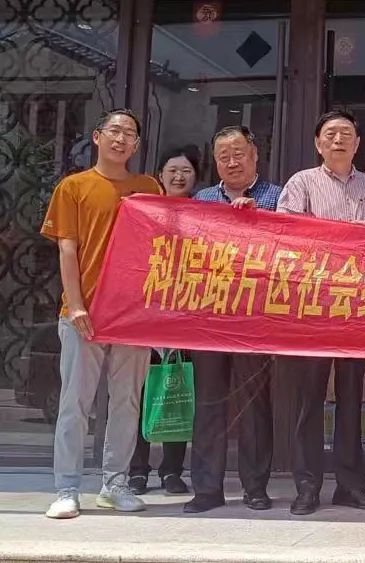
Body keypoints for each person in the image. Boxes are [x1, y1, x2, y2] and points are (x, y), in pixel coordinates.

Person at [41, 109, 162, 519]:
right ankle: (67, 488)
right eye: (115, 131)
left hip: (133, 316)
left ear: (137, 145)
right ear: (97, 137)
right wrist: (76, 304)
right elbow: (67, 249)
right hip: (85, 312)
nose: (121, 138)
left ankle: (115, 483)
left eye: (130, 134)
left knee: (127, 402)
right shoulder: (73, 187)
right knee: (75, 403)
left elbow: (164, 246)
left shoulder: (148, 188)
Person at [276, 110, 365, 514]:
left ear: (357, 144)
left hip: (357, 307)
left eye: (346, 134)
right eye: (331, 134)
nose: (338, 140)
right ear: (318, 143)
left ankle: (351, 485)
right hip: (313, 306)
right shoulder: (301, 183)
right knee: (310, 399)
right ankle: (307, 485)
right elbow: (286, 235)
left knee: (353, 398)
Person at [183, 126, 282, 514]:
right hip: (210, 318)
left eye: (239, 153)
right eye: (223, 156)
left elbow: (289, 249)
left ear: (255, 155)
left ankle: (255, 487)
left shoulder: (276, 197)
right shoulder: (203, 199)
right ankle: (206, 489)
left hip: (255, 319)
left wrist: (257, 221)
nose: (232, 162)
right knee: (209, 404)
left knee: (254, 405)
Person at [128, 146, 202, 496]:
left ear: (195, 178)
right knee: (141, 395)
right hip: (146, 317)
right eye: (172, 170)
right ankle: (136, 470)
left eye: (186, 171)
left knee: (177, 391)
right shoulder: (145, 211)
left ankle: (172, 470)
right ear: (160, 175)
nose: (178, 176)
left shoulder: (203, 215)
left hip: (186, 318)